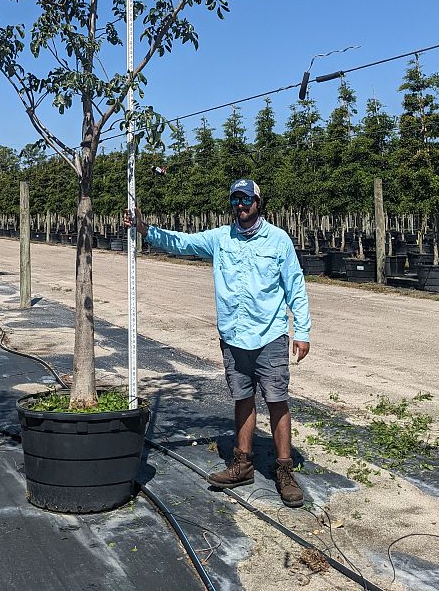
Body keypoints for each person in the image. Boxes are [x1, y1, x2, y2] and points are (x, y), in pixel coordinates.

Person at [124, 177, 311, 507]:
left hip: (270, 335)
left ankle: (284, 469)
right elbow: (182, 243)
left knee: (277, 400)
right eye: (235, 201)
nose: (241, 206)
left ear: (258, 202)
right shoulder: (221, 239)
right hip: (234, 336)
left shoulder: (278, 241)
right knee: (242, 398)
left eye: (246, 200)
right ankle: (243, 463)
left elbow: (295, 287)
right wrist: (144, 229)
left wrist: (304, 332)